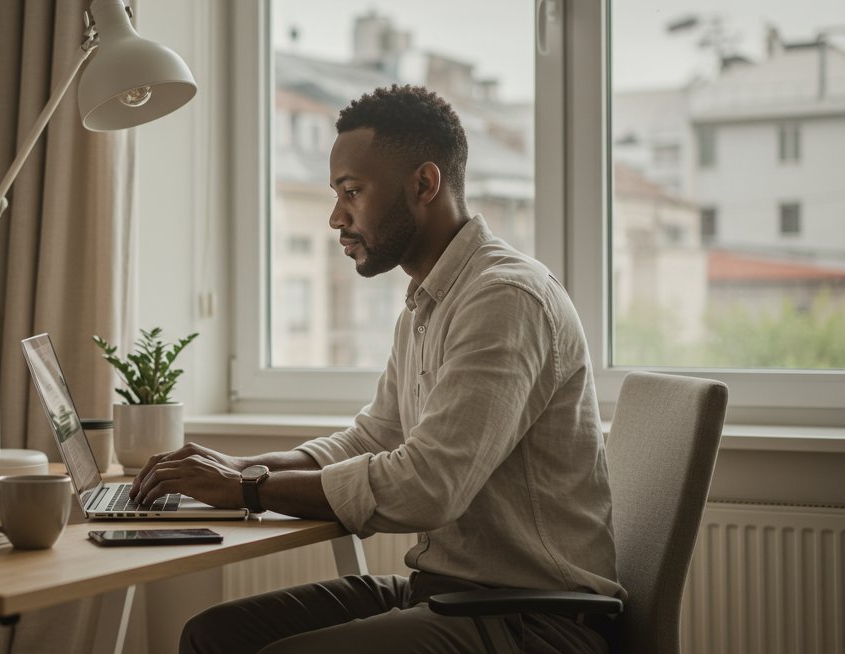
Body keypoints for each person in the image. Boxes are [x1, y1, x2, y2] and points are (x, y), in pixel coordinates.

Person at [130, 85, 623, 653]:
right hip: (446, 594)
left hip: (537, 619)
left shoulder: (505, 298)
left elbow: (427, 487)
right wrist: (239, 465)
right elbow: (376, 437)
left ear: (424, 184)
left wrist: (248, 488)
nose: (336, 217)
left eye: (352, 192)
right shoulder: (429, 300)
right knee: (214, 635)